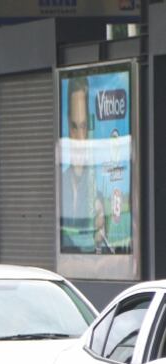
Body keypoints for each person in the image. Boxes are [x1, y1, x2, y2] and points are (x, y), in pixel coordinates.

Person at [60, 75, 107, 254]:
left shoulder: (96, 194)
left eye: (83, 126)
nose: (79, 139)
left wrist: (99, 234)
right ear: (66, 124)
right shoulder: (59, 185)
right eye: (74, 127)